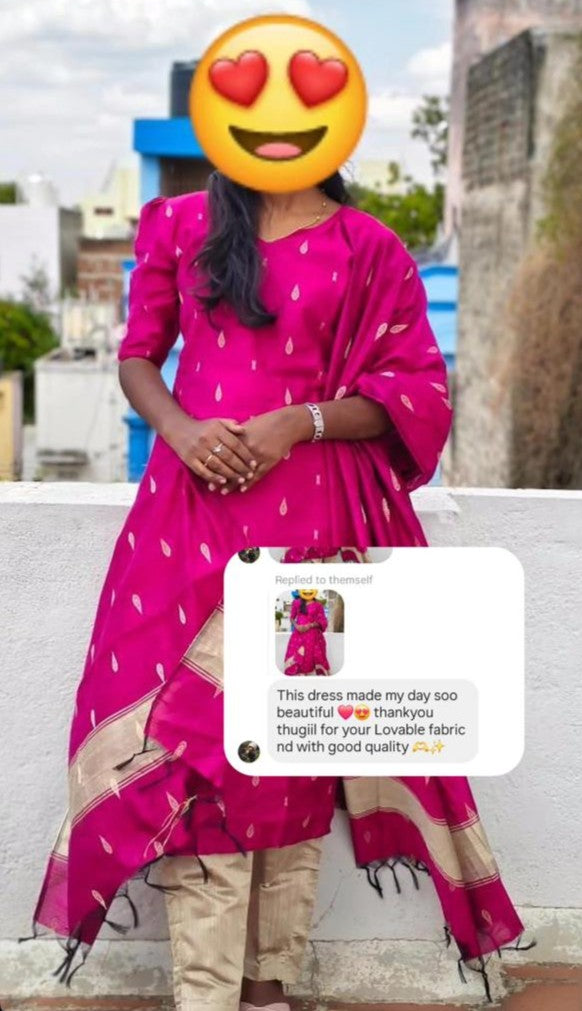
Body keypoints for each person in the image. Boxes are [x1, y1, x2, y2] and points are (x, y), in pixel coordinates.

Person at [26, 171, 524, 1008]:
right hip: (186, 529)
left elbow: (414, 392)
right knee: (192, 757)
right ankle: (206, 994)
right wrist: (182, 431)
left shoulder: (368, 248)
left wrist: (301, 420)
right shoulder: (180, 223)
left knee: (294, 755)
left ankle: (269, 988)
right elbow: (138, 356)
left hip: (317, 531)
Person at [283, 590, 330, 676]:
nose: (308, 592)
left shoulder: (318, 605)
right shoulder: (296, 603)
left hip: (313, 636)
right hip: (298, 635)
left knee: (310, 658)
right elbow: (292, 618)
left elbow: (322, 621)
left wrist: (310, 625)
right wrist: (297, 626)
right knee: (295, 656)